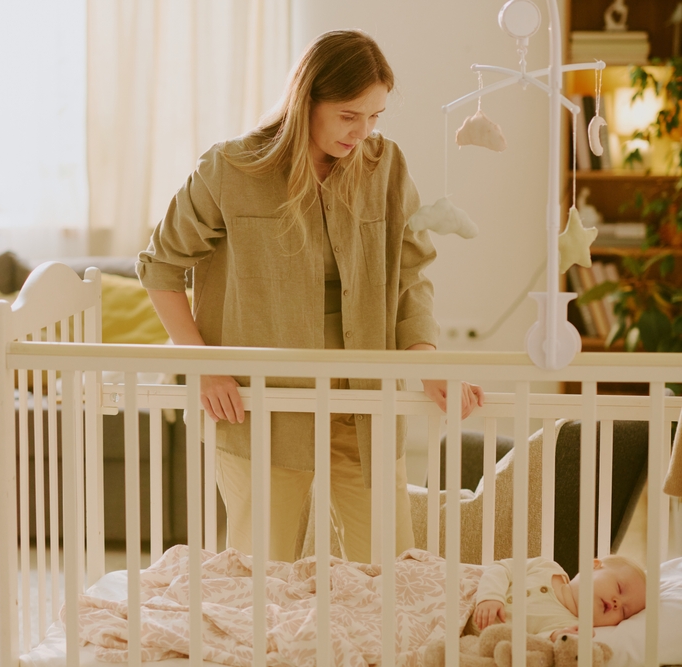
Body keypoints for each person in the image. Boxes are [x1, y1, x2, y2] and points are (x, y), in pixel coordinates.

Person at [135, 30, 484, 563]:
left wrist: (425, 357)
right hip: (262, 405)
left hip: (364, 396)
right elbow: (160, 267)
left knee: (389, 570)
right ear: (307, 101)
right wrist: (201, 363)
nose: (363, 131)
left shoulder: (385, 167)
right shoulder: (230, 169)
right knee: (263, 574)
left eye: (375, 116)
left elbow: (410, 272)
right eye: (349, 115)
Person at [473, 554, 647, 641]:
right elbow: (501, 568)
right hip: (466, 597)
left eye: (624, 611)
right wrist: (491, 596)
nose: (618, 603)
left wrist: (556, 636)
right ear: (593, 566)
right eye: (619, 588)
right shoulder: (546, 567)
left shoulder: (568, 626)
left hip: (468, 638)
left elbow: (533, 642)